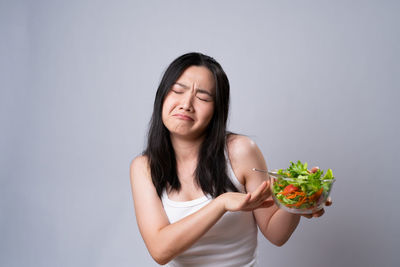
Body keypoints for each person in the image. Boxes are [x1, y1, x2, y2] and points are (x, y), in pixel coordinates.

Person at [130, 52, 331, 266]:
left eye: (203, 97)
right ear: (162, 97)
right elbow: (160, 250)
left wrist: (298, 200)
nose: (186, 104)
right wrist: (222, 203)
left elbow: (276, 234)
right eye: (178, 91)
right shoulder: (144, 167)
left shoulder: (240, 151)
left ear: (216, 110)